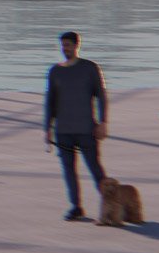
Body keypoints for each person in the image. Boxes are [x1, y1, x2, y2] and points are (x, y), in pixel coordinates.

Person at [44, 31, 110, 222]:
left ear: (77, 46)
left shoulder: (90, 68)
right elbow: (50, 102)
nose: (65, 49)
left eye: (68, 45)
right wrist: (47, 128)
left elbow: (101, 96)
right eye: (63, 45)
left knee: (95, 168)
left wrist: (103, 122)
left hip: (86, 129)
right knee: (69, 170)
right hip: (63, 131)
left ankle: (110, 204)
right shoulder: (55, 71)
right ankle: (76, 206)